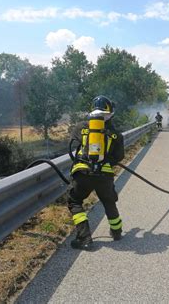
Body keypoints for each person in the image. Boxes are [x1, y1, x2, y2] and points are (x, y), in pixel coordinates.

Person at [67, 96, 125, 250]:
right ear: (110, 112)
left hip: (82, 173)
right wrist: (104, 162)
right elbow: (119, 157)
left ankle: (84, 238)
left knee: (75, 201)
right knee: (108, 201)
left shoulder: (80, 127)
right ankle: (117, 232)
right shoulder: (116, 135)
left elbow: (73, 143)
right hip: (104, 175)